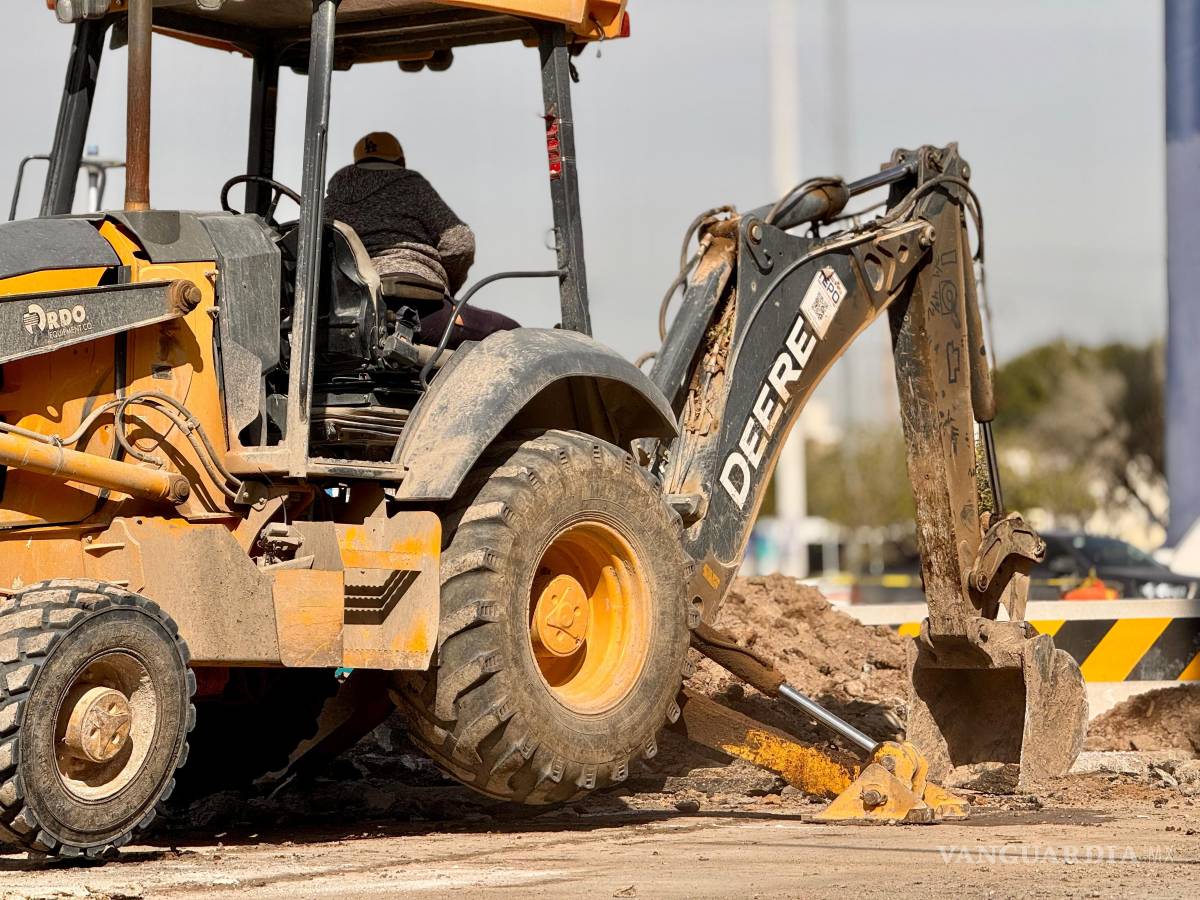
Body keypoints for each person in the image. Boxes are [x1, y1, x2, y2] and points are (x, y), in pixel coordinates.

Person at [324, 131, 518, 347]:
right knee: (513, 335)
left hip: (345, 316)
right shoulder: (410, 185)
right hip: (416, 308)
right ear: (401, 161)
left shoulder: (328, 204)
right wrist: (444, 286)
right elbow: (459, 243)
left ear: (356, 165)